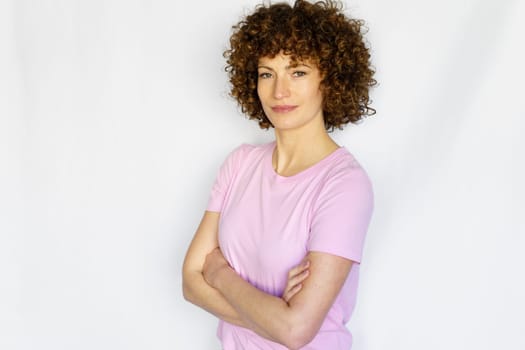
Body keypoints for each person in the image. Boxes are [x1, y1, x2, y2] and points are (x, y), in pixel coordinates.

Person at [182, 0, 376, 348]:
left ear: (328, 79)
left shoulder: (345, 184)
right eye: (266, 73)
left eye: (297, 71)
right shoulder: (240, 163)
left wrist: (220, 273)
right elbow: (190, 282)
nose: (279, 91)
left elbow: (296, 331)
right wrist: (274, 314)